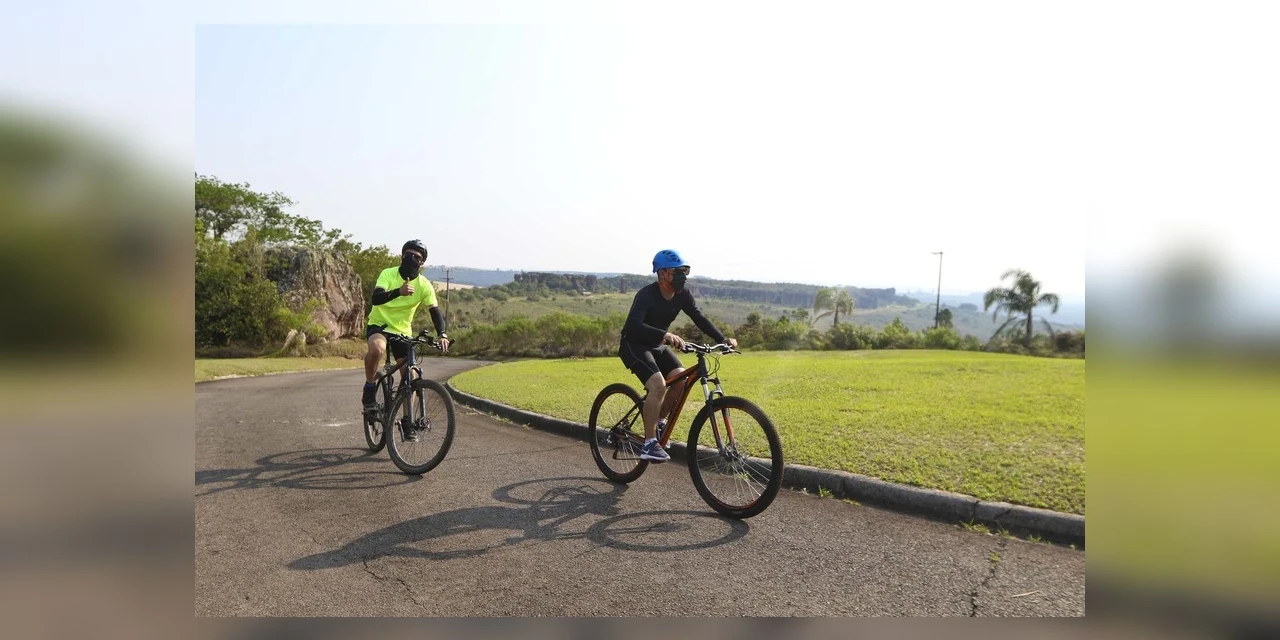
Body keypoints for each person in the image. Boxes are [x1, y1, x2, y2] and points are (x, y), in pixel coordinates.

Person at [618, 249, 737, 462]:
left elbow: (699, 317)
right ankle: (649, 444)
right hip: (633, 344)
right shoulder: (646, 295)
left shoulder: (683, 295)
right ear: (662, 273)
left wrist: (723, 339)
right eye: (678, 271)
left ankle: (659, 422)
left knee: (680, 380)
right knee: (658, 385)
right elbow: (633, 326)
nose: (683, 275)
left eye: (686, 270)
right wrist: (664, 334)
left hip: (657, 345)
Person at [361, 239, 450, 415]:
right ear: (401, 257)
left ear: (422, 263)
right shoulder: (388, 274)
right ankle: (370, 388)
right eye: (408, 255)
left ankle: (407, 420)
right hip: (380, 324)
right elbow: (376, 298)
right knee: (378, 349)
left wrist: (442, 334)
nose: (411, 259)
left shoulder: (424, 285)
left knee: (411, 374)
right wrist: (398, 292)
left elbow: (435, 311)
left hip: (402, 331)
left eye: (416, 257)